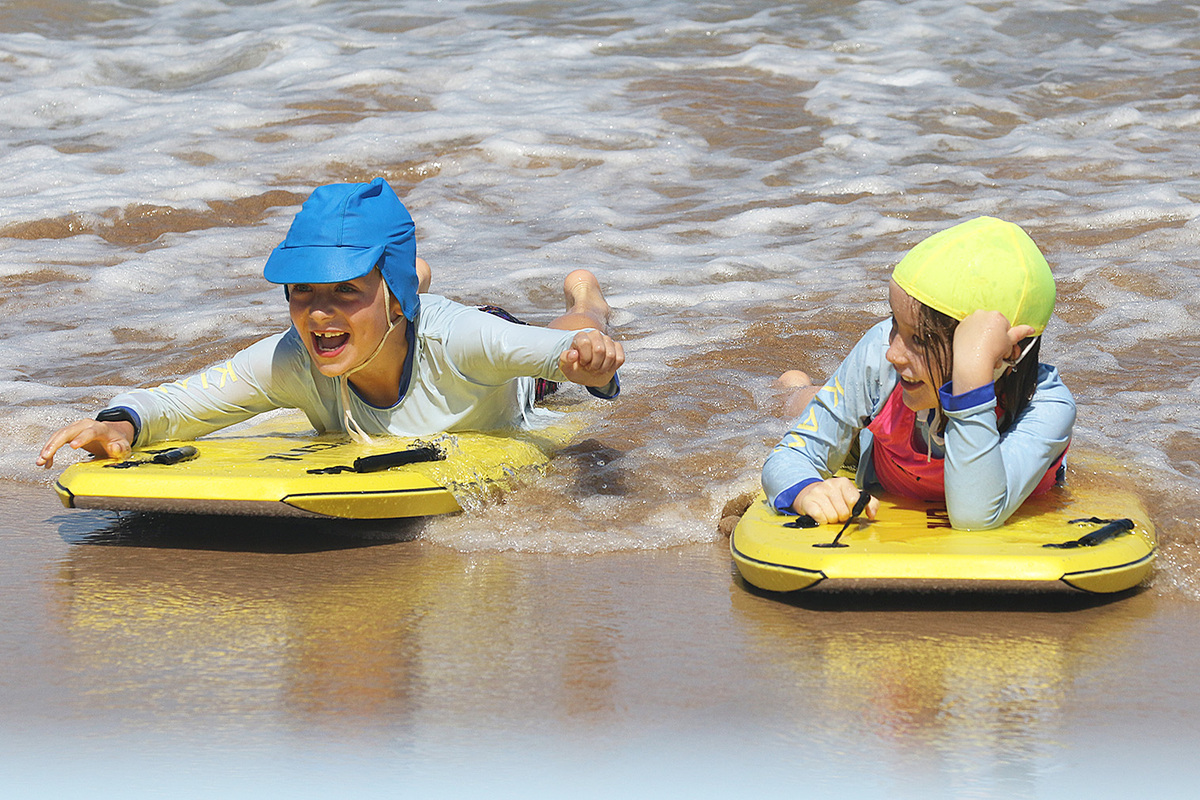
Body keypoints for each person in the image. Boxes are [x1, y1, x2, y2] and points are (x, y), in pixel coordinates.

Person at [37, 178, 623, 468]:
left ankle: (586, 293)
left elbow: (562, 354)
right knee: (350, 317)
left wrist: (589, 353)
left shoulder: (469, 340)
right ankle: (395, 279)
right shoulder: (298, 355)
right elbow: (185, 403)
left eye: (344, 290)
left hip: (485, 369)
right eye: (302, 292)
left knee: (566, 338)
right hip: (394, 316)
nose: (318, 314)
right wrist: (120, 425)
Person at [762, 216, 1075, 530]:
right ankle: (792, 387)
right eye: (895, 324)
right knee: (801, 403)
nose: (893, 353)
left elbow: (975, 515)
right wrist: (807, 490)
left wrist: (972, 373)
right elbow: (788, 457)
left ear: (1006, 353)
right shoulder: (880, 363)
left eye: (922, 339)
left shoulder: (1047, 407)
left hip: (913, 418)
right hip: (870, 440)